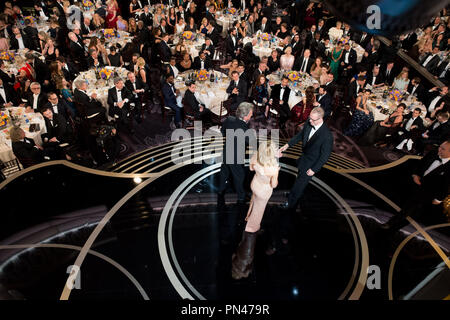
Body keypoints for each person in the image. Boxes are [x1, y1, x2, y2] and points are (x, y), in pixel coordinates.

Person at [273, 107, 333, 252]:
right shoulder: (309, 123)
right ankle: (295, 197)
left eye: (312, 119)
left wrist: (314, 169)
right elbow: (299, 137)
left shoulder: (327, 136)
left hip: (311, 165)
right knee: (298, 180)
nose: (309, 121)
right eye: (309, 118)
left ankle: (290, 205)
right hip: (303, 160)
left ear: (321, 119)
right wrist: (285, 147)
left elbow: (324, 156)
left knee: (299, 186)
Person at [231, 140, 280, 280]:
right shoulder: (273, 168)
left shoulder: (256, 157)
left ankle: (248, 217)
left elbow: (252, 168)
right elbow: (274, 184)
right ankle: (251, 228)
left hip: (255, 185)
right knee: (258, 212)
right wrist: (276, 171)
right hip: (264, 191)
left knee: (253, 201)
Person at [381, 139, 450, 231]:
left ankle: (391, 224)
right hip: (415, 181)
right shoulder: (433, 153)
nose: (439, 150)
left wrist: (438, 199)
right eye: (440, 147)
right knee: (400, 197)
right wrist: (415, 175)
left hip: (428, 191)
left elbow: (447, 186)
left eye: (443, 149)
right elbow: (420, 164)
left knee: (410, 209)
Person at [217, 102, 255, 204]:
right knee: (239, 175)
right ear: (246, 116)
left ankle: (221, 190)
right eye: (251, 114)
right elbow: (252, 142)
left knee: (224, 172)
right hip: (235, 156)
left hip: (226, 151)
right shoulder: (244, 127)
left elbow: (223, 131)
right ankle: (241, 196)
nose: (251, 116)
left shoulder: (229, 119)